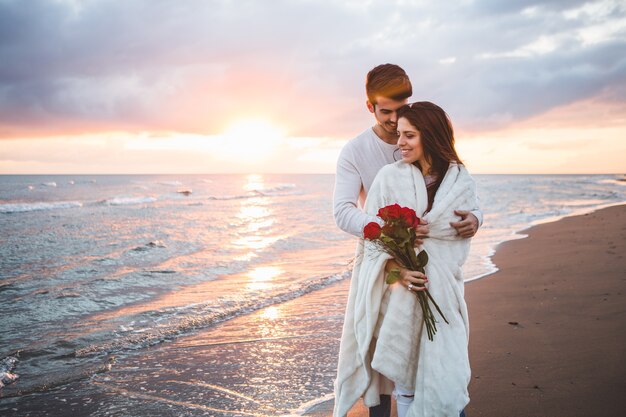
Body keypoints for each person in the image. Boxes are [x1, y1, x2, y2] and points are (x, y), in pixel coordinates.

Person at [332, 64, 480, 417]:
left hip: (430, 269)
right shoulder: (356, 151)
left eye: (403, 113)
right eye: (388, 113)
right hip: (385, 258)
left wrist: (476, 219)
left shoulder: (436, 155)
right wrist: (394, 229)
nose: (397, 122)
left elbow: (458, 204)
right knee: (382, 361)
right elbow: (342, 211)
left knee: (431, 358)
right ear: (370, 107)